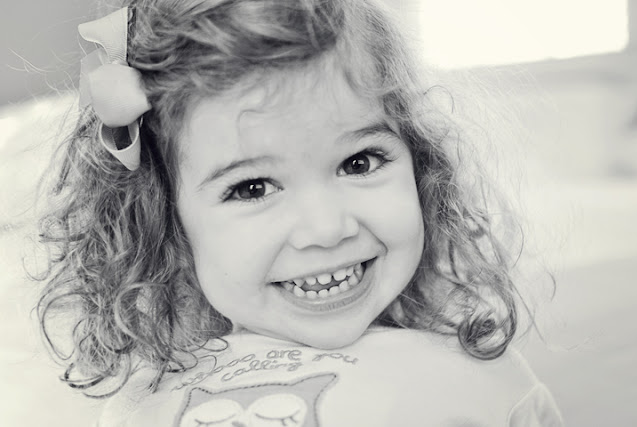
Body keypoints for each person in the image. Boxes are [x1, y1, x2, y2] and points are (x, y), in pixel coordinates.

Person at [36, 0, 564, 425]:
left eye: (359, 162)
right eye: (252, 188)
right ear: (165, 225)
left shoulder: (485, 382)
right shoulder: (139, 407)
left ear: (421, 168)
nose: (327, 229)